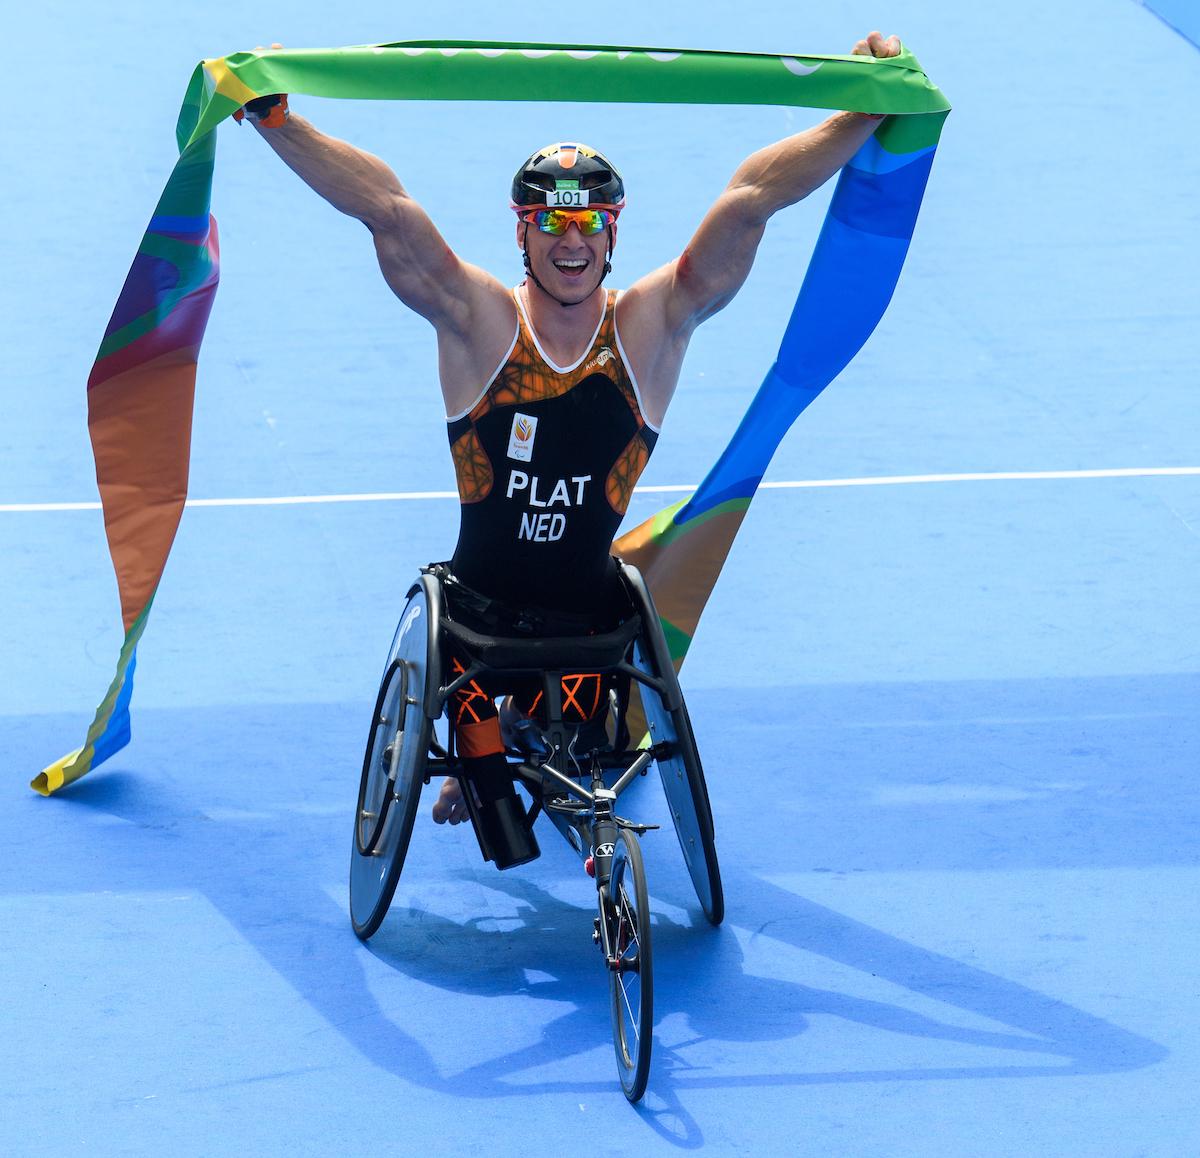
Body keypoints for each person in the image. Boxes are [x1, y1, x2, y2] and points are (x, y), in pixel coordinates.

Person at [244, 31, 902, 843]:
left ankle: (527, 737)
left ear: (612, 230)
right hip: (476, 628)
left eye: (589, 220)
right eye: (550, 220)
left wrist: (862, 112)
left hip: (596, 627)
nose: (571, 239)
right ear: (521, 230)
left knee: (592, 765)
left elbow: (752, 199)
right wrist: (277, 120)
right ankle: (487, 753)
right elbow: (386, 211)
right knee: (504, 837)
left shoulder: (650, 325)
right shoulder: (480, 322)